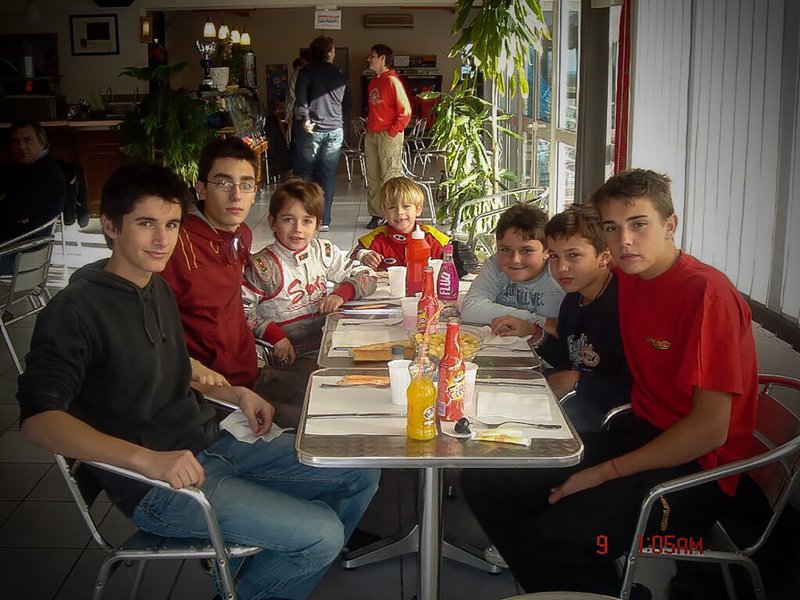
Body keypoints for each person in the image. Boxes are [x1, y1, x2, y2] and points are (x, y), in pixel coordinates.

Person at [17, 162, 380, 600]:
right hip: (160, 487)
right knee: (320, 533)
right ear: (110, 225)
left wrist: (234, 392)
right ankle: (273, 573)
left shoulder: (155, 288)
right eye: (145, 223)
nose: (161, 239)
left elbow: (169, 362)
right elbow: (39, 420)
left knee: (360, 470)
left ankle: (265, 575)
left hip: (211, 442)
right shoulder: (75, 310)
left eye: (170, 224)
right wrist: (146, 460)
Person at [462, 169, 758, 598]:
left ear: (670, 225)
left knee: (556, 536)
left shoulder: (705, 295)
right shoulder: (629, 280)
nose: (625, 242)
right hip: (635, 431)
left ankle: (576, 577)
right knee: (486, 481)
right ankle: (589, 589)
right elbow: (580, 307)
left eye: (639, 225)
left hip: (700, 470)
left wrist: (603, 473)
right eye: (612, 229)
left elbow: (710, 430)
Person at [242, 178, 376, 421]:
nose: (297, 230)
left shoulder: (323, 252)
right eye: (288, 219)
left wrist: (340, 293)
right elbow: (239, 311)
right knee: (323, 408)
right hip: (288, 359)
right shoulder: (262, 266)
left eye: (307, 221)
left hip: (329, 347)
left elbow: (367, 275)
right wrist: (274, 335)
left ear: (317, 226)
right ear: (272, 222)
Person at [492, 203, 632, 432]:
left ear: (604, 257)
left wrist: (577, 380)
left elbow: (639, 388)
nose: (561, 268)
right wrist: (534, 333)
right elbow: (571, 358)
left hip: (608, 424)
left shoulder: (622, 308)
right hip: (574, 404)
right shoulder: (572, 300)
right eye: (555, 257)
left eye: (573, 256)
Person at [460, 203, 564, 325]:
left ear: (547, 251)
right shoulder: (495, 264)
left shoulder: (560, 272)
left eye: (527, 251)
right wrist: (540, 321)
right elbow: (470, 309)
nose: (515, 259)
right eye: (505, 250)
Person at [294, 36, 351, 231]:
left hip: (313, 129)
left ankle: (305, 216)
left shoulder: (306, 72)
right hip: (335, 129)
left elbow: (301, 98)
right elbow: (348, 102)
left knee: (306, 173)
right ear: (327, 52)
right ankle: (324, 220)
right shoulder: (339, 73)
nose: (334, 53)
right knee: (328, 175)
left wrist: (305, 118)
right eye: (333, 50)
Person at [0, 120, 66, 271]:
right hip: (19, 251)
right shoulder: (22, 168)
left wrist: (8, 205)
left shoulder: (46, 173)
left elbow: (13, 212)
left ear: (42, 143)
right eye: (16, 141)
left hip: (20, 259)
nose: (21, 146)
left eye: (27, 140)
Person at [351, 176, 449, 270]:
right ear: (383, 212)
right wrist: (363, 255)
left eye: (406, 206)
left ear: (418, 209)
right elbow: (351, 256)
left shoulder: (430, 236)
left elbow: (453, 252)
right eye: (392, 207)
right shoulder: (377, 238)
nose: (399, 212)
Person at [364, 44, 411, 229]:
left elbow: (405, 111)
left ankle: (395, 214)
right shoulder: (373, 82)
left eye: (372, 55)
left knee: (390, 176)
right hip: (373, 134)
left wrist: (393, 132)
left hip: (388, 135)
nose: (369, 59)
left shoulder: (392, 81)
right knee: (373, 176)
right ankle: (376, 214)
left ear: (382, 58)